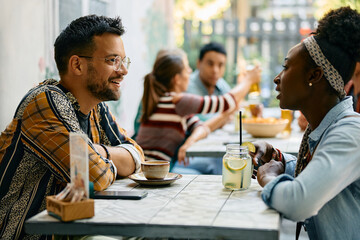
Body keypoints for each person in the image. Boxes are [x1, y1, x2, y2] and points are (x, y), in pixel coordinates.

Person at [0, 15, 144, 239]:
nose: (123, 70)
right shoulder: (45, 102)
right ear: (77, 64)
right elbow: (93, 177)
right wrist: (108, 161)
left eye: (124, 61)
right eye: (112, 60)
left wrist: (98, 152)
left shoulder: (96, 107)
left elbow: (137, 154)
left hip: (73, 228)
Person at [252, 7, 360, 240]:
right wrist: (278, 160)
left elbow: (298, 202)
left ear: (314, 76)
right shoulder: (330, 128)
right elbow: (321, 172)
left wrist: (268, 179)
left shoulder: (350, 133)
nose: (277, 77)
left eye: (286, 66)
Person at [135, 50, 260, 174]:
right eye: (186, 68)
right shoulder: (177, 102)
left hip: (151, 171)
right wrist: (248, 80)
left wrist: (188, 143)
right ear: (177, 79)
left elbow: (201, 127)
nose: (190, 71)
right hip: (145, 172)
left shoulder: (170, 103)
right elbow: (225, 103)